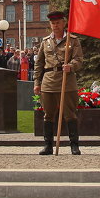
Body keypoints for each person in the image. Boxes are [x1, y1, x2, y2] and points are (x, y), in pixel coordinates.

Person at [34, 10, 84, 155]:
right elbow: (39, 64)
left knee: (70, 114)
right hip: (48, 81)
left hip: (66, 81)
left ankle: (74, 145)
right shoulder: (45, 42)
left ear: (64, 23)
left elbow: (79, 59)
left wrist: (71, 66)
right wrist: (37, 82)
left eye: (58, 23)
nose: (55, 26)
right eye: (53, 23)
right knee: (48, 115)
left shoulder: (72, 40)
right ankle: (48, 145)